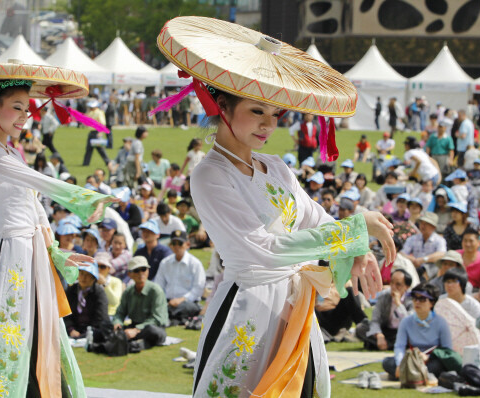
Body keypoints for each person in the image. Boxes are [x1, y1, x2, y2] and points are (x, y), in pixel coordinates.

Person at [149, 17, 395, 398]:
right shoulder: (210, 175)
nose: (268, 125)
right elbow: (264, 250)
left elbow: (317, 219)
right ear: (220, 105)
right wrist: (354, 229)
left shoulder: (276, 167)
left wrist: (355, 246)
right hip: (248, 308)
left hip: (295, 309)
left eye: (275, 114)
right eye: (256, 111)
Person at [0, 64, 116, 397]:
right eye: (16, 107)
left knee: (40, 336)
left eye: (27, 108)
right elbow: (40, 184)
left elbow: (35, 209)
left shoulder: (10, 151)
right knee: (18, 338)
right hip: (10, 256)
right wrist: (87, 197)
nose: (25, 116)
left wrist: (55, 251)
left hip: (30, 253)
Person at [382, 282, 452, 380]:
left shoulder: (441, 322)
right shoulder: (406, 321)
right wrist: (400, 364)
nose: (417, 302)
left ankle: (409, 375)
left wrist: (428, 357)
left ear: (432, 303)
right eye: (415, 298)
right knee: (387, 362)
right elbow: (399, 346)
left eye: (422, 299)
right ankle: (413, 374)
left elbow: (447, 349)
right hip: (411, 359)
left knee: (438, 365)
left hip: (431, 361)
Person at [113, 256, 168, 349]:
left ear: (148, 271)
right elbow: (120, 312)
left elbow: (157, 319)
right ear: (129, 274)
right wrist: (117, 323)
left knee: (153, 331)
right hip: (134, 326)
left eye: (143, 269)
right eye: (136, 270)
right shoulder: (128, 291)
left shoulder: (156, 291)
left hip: (151, 327)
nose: (141, 273)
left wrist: (136, 330)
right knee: (106, 325)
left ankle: (131, 343)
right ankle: (132, 342)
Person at [154, 230, 205, 325]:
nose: (177, 246)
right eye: (174, 243)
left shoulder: (195, 263)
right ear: (170, 245)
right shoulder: (165, 263)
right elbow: (159, 286)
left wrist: (181, 299)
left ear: (187, 245)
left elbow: (198, 289)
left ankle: (169, 316)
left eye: (180, 243)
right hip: (168, 302)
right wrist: (164, 301)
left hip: (187, 302)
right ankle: (173, 317)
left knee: (186, 307)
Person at [355, 269, 413, 351]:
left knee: (412, 336)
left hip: (402, 331)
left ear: (407, 287)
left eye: (398, 284)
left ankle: (379, 345)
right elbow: (375, 319)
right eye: (392, 282)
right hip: (386, 331)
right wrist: (379, 335)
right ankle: (389, 344)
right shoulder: (385, 295)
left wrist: (398, 304)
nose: (393, 287)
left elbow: (410, 323)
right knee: (361, 328)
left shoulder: (411, 299)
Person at [64, 261, 113, 343]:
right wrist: (71, 329)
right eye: (81, 273)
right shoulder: (71, 290)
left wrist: (87, 333)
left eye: (87, 275)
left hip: (93, 330)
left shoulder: (99, 292)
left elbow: (101, 316)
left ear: (93, 277)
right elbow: (65, 313)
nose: (83, 277)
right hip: (74, 330)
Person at [401, 212, 446, 281]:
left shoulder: (439, 240)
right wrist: (412, 259)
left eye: (426, 224)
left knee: (434, 266)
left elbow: (441, 254)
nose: (423, 226)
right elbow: (402, 253)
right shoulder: (413, 238)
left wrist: (423, 259)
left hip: (430, 270)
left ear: (433, 227)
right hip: (414, 267)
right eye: (421, 223)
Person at [82, 100, 110, 166]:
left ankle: (108, 161)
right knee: (88, 149)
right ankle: (86, 163)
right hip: (91, 132)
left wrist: (101, 132)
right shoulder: (91, 112)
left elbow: (102, 123)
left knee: (101, 149)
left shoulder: (99, 113)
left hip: (97, 132)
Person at [94, 252, 123, 317]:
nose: (98, 269)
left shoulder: (116, 281)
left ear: (109, 269)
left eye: (102, 267)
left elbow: (114, 302)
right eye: (96, 266)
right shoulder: (90, 280)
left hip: (110, 315)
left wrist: (105, 284)